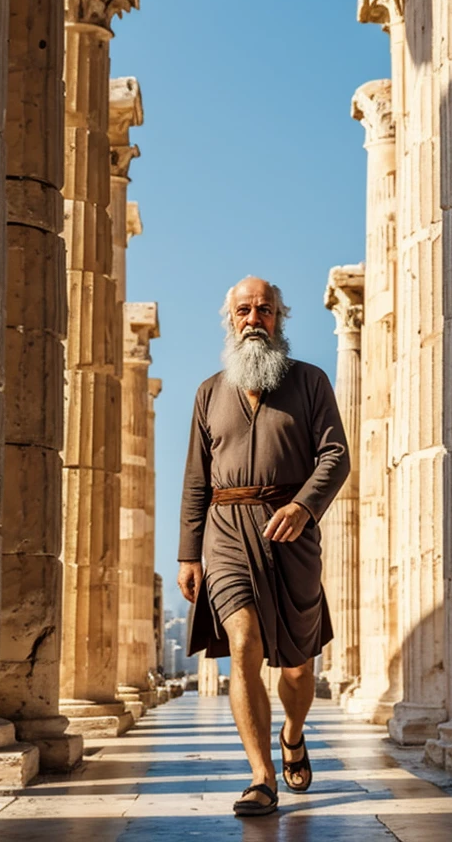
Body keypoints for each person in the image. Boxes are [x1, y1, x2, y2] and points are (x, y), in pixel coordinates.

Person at [177, 276, 350, 817]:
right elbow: (196, 479)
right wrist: (188, 553)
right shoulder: (209, 392)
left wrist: (303, 508)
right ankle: (261, 776)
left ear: (280, 318)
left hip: (291, 534)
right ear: (231, 320)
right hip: (226, 531)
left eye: (266, 310)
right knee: (244, 643)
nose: (255, 319)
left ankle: (293, 733)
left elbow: (335, 456)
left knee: (297, 668)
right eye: (245, 311)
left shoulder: (311, 381)